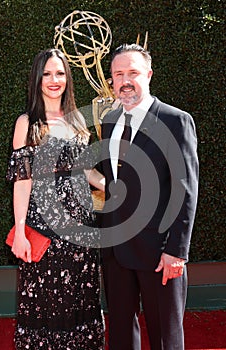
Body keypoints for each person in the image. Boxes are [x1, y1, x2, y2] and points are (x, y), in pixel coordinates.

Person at [100, 44, 199, 350]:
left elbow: (186, 189)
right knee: (119, 333)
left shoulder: (175, 121)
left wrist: (177, 251)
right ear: (112, 80)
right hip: (115, 250)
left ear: (149, 75)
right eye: (119, 74)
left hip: (159, 252)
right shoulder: (109, 122)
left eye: (133, 72)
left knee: (164, 337)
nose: (125, 80)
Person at [6, 48, 105, 349]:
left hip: (80, 235)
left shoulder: (77, 121)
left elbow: (85, 171)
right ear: (37, 79)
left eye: (60, 73)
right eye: (47, 73)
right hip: (44, 235)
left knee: (80, 302)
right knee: (46, 305)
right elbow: (23, 182)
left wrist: (115, 184)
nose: (54, 79)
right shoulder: (27, 123)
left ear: (67, 78)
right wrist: (20, 231)